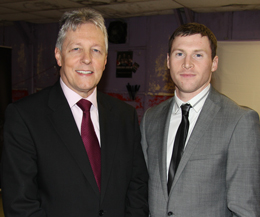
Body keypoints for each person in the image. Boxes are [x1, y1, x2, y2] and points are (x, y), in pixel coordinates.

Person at [1, 8, 148, 217]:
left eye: (96, 50)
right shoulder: (25, 117)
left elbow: (137, 187)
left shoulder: (125, 116)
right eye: (76, 49)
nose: (86, 59)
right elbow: (20, 205)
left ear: (105, 60)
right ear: (58, 55)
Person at [140, 22, 260, 216]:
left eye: (198, 54)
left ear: (214, 63)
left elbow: (245, 209)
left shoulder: (240, 121)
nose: (187, 63)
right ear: (168, 61)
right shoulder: (150, 119)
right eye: (179, 54)